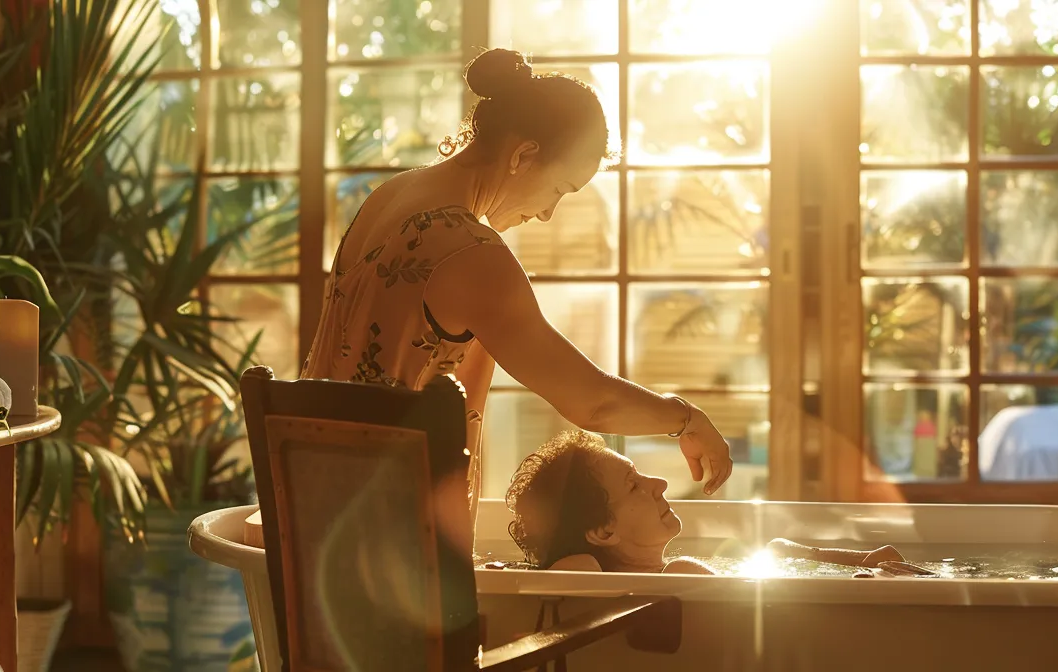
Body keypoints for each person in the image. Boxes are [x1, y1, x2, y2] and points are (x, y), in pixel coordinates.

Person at [301, 49, 735, 508]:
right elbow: (591, 402)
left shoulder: (390, 196)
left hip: (311, 496)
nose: (548, 213)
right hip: (393, 526)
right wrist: (687, 418)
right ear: (524, 155)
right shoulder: (468, 250)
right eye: (559, 190)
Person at [506, 431, 926, 575]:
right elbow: (571, 568)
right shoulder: (678, 572)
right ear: (601, 531)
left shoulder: (655, 574)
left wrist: (861, 562)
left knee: (776, 549)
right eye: (634, 485)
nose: (660, 482)